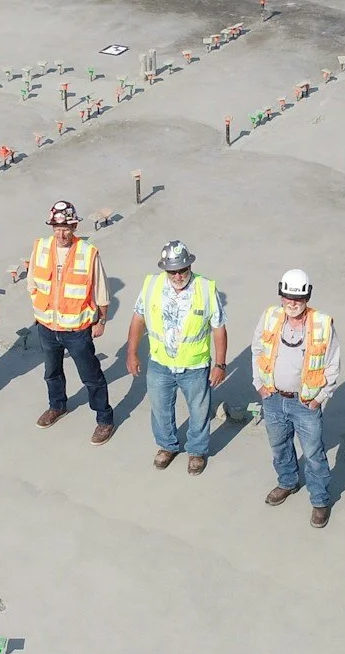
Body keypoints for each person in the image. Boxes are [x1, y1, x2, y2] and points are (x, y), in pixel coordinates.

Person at [123, 241, 227, 473]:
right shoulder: (151, 285)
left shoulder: (206, 288)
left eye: (183, 269)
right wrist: (132, 352)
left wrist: (220, 364)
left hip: (195, 366)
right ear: (165, 270)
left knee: (199, 412)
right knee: (160, 408)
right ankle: (167, 446)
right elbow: (138, 319)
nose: (178, 275)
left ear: (190, 265)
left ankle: (197, 451)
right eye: (173, 271)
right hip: (160, 363)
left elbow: (219, 328)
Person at [254, 269, 340, 526]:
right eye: (288, 297)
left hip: (305, 403)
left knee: (313, 454)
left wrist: (320, 397)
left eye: (298, 299)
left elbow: (332, 365)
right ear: (281, 295)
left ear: (307, 298)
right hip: (272, 398)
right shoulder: (270, 317)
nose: (292, 303)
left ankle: (320, 500)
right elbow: (257, 348)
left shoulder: (322, 324)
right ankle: (287, 482)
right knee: (279, 446)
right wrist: (259, 383)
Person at [29, 201, 114, 443]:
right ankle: (57, 406)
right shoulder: (41, 247)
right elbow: (33, 282)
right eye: (57, 227)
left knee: (91, 376)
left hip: (77, 330)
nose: (61, 233)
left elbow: (101, 291)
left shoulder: (87, 253)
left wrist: (102, 321)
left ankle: (104, 419)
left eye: (66, 228)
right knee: (51, 372)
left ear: (74, 226)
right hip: (46, 326)